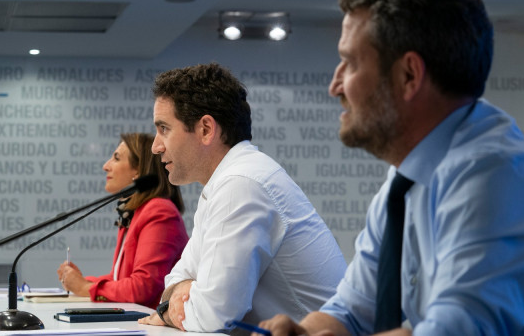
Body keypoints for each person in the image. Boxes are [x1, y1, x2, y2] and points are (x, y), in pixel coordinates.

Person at [258, 0, 524, 335]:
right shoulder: (405, 179)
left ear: (408, 76)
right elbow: (352, 311)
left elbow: (457, 329)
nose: (335, 85)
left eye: (351, 63)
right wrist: (303, 332)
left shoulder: (495, 175)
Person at [137, 62, 347, 333]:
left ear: (205, 130)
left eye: (164, 128)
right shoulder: (227, 181)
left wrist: (167, 312)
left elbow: (213, 315)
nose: (155, 146)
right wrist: (178, 293)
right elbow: (176, 279)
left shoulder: (241, 184)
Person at [57, 132, 189, 309]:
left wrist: (85, 288)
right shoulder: (135, 212)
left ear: (138, 170)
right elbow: (119, 280)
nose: (106, 166)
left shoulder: (159, 211)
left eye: (116, 158)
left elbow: (142, 287)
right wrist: (81, 282)